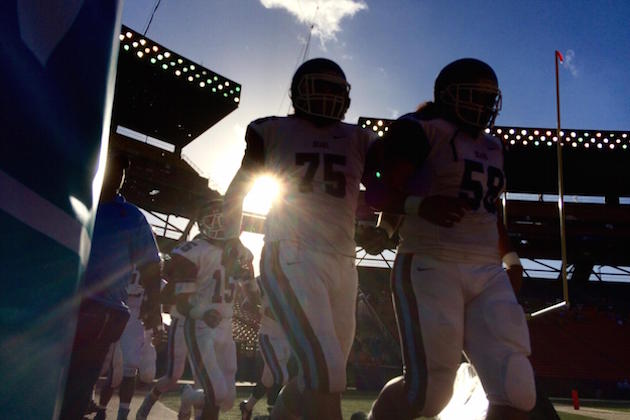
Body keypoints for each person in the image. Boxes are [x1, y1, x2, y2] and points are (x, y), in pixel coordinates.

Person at [362, 58, 536, 420]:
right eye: (473, 96)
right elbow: (377, 191)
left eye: (489, 99)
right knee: (427, 393)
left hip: (487, 271)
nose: (482, 106)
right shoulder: (420, 129)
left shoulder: (493, 146)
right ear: (446, 94)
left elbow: (487, 211)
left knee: (516, 387)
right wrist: (419, 205)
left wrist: (511, 259)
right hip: (431, 260)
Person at [222, 57, 375, 420]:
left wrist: (385, 220)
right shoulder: (272, 131)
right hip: (290, 252)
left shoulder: (360, 138)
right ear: (298, 92)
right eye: (319, 87)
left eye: (334, 90)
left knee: (318, 374)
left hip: (343, 259)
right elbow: (240, 188)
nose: (327, 97)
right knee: (327, 371)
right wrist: (231, 237)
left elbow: (388, 185)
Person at [59, 151, 162, 420]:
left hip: (101, 311)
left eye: (121, 170)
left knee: (79, 383)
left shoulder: (129, 215)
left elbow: (152, 264)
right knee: (50, 380)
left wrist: (155, 304)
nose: (118, 175)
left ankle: (80, 406)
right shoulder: (72, 199)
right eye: (111, 168)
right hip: (62, 303)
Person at [165, 199, 259, 420]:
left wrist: (256, 302)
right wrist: (202, 312)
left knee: (227, 400)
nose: (219, 225)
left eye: (223, 220)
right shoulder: (193, 251)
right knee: (215, 392)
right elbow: (182, 303)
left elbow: (249, 285)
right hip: (201, 327)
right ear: (202, 223)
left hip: (225, 329)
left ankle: (188, 396)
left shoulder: (240, 252)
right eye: (213, 219)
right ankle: (191, 398)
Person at [95, 274, 162, 420]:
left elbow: (156, 298)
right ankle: (101, 409)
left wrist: (158, 324)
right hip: (120, 314)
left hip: (140, 321)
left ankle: (122, 414)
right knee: (115, 373)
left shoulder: (151, 267)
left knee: (134, 370)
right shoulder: (123, 262)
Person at [239, 277, 293, 420]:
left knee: (268, 380)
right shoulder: (263, 281)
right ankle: (275, 413)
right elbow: (246, 305)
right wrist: (262, 311)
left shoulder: (294, 278)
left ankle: (247, 407)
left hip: (287, 339)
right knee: (281, 377)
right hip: (269, 337)